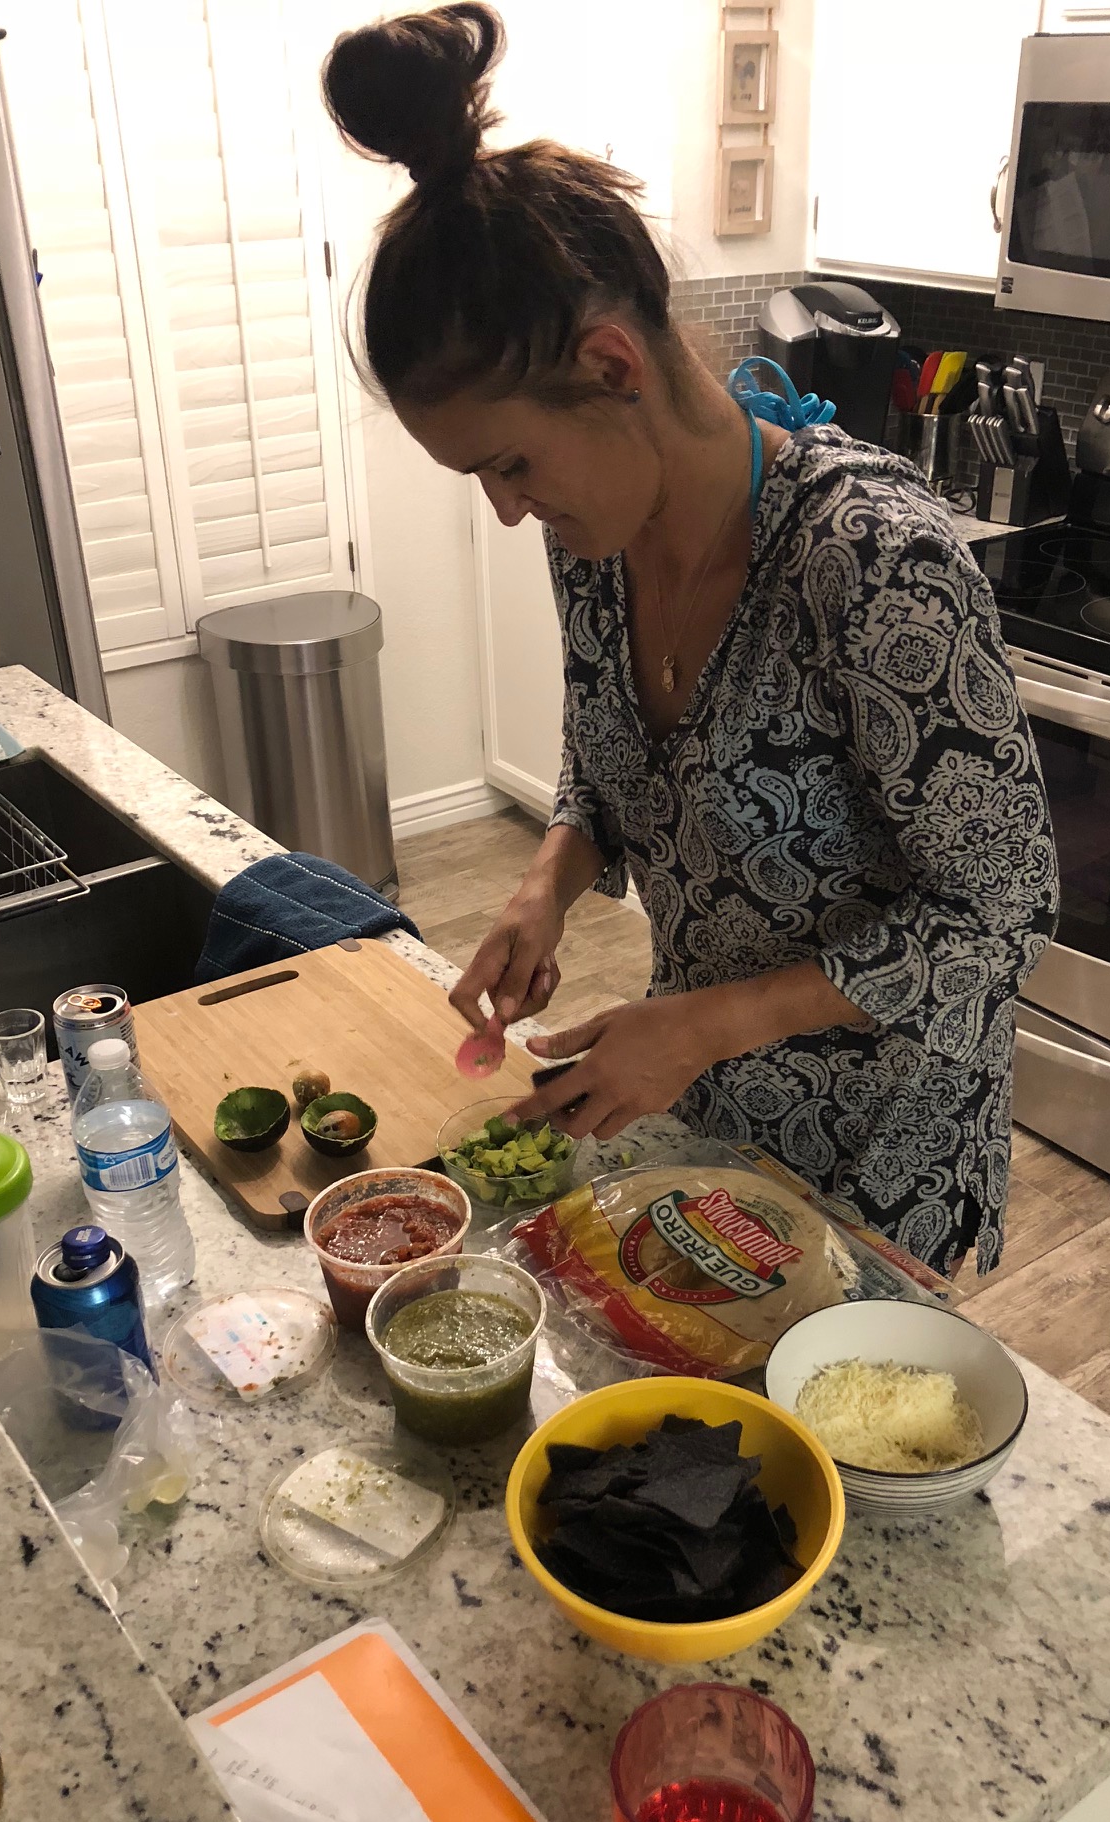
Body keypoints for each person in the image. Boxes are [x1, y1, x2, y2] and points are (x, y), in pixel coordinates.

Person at [321, 5, 1058, 1277]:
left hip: (880, 1153)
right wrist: (546, 884)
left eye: (510, 464)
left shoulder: (869, 561)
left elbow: (1001, 915)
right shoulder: (593, 545)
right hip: (704, 1110)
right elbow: (612, 763)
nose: (506, 510)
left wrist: (705, 1025)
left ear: (614, 367)